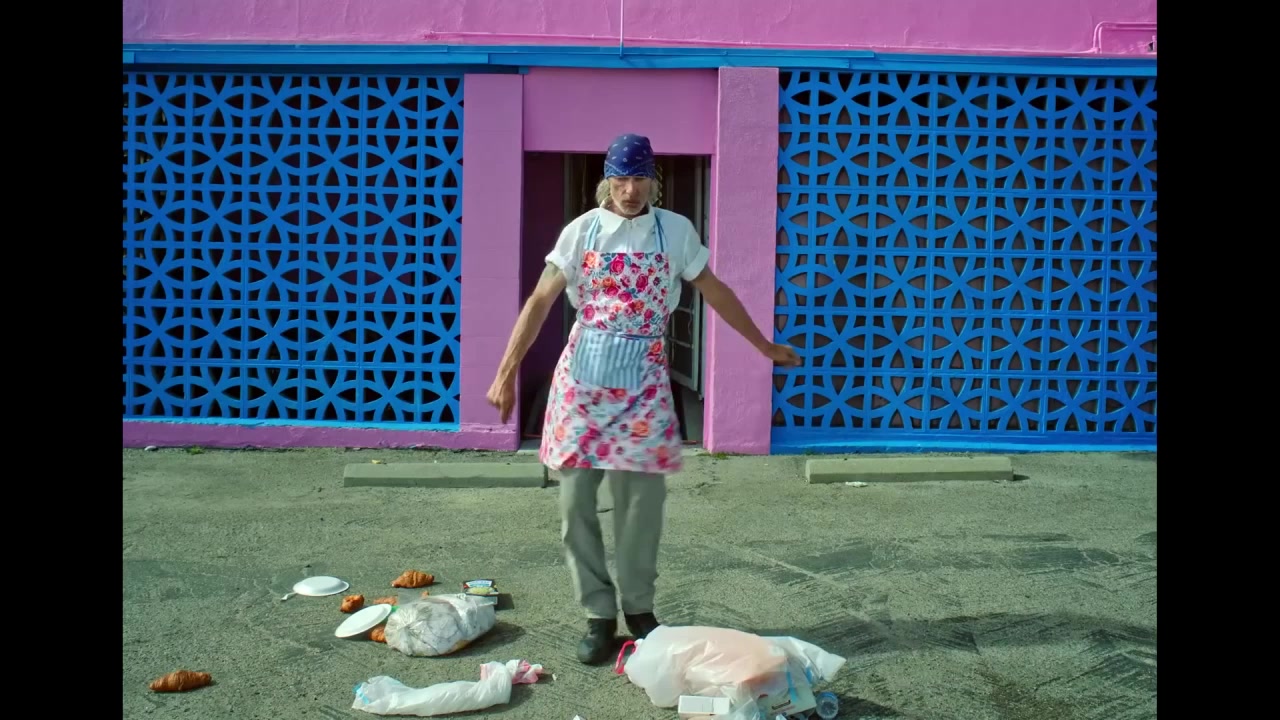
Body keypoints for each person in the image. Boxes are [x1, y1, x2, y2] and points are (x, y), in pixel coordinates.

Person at [486, 133, 801, 664]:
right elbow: (540, 300)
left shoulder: (675, 232)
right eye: (621, 179)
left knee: (640, 509)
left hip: (643, 384)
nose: (630, 191)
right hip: (584, 382)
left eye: (639, 179)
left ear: (654, 181)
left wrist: (763, 346)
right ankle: (597, 615)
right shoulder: (580, 232)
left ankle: (639, 611)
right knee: (576, 507)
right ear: (606, 182)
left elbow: (716, 291)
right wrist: (505, 372)